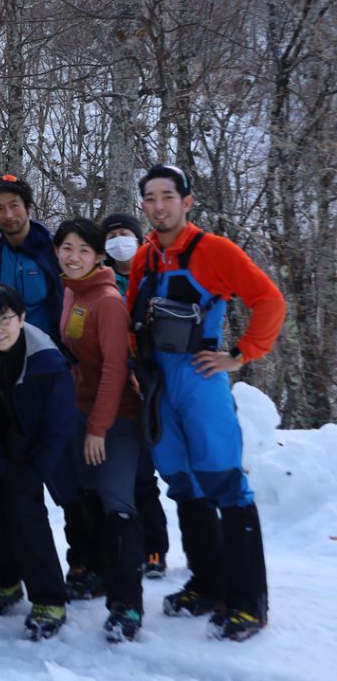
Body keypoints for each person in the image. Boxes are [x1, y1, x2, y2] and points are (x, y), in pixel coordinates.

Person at [127, 164, 285, 641]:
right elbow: (135, 317)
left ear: (187, 201)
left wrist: (239, 357)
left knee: (224, 482)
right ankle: (207, 583)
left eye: (167, 196)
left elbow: (269, 300)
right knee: (182, 481)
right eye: (150, 198)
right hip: (159, 385)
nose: (159, 206)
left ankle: (248, 602)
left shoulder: (212, 250)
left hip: (201, 380)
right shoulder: (144, 258)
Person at [0, 285, 75, 639]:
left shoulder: (48, 359)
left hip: (32, 452)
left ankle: (49, 598)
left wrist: (33, 470)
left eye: (5, 318)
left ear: (21, 318)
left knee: (27, 517)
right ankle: (5, 582)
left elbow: (59, 425)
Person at [55, 218, 144, 642]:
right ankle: (98, 574)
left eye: (83, 251)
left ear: (98, 256)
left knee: (117, 503)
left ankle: (128, 604)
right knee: (87, 495)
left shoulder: (108, 300)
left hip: (115, 417)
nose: (73, 257)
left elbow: (115, 368)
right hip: (81, 409)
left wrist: (98, 427)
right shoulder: (73, 288)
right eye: (66, 247)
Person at [103, 211, 169, 579]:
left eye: (125, 233)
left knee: (145, 474)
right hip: (113, 383)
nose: (118, 240)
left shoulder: (154, 274)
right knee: (117, 475)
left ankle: (155, 547)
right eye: (111, 235)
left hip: (151, 379)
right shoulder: (101, 278)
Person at [0, 174, 64, 344]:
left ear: (28, 206)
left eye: (14, 205)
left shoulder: (55, 251)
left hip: (55, 353)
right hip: (8, 355)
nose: (8, 215)